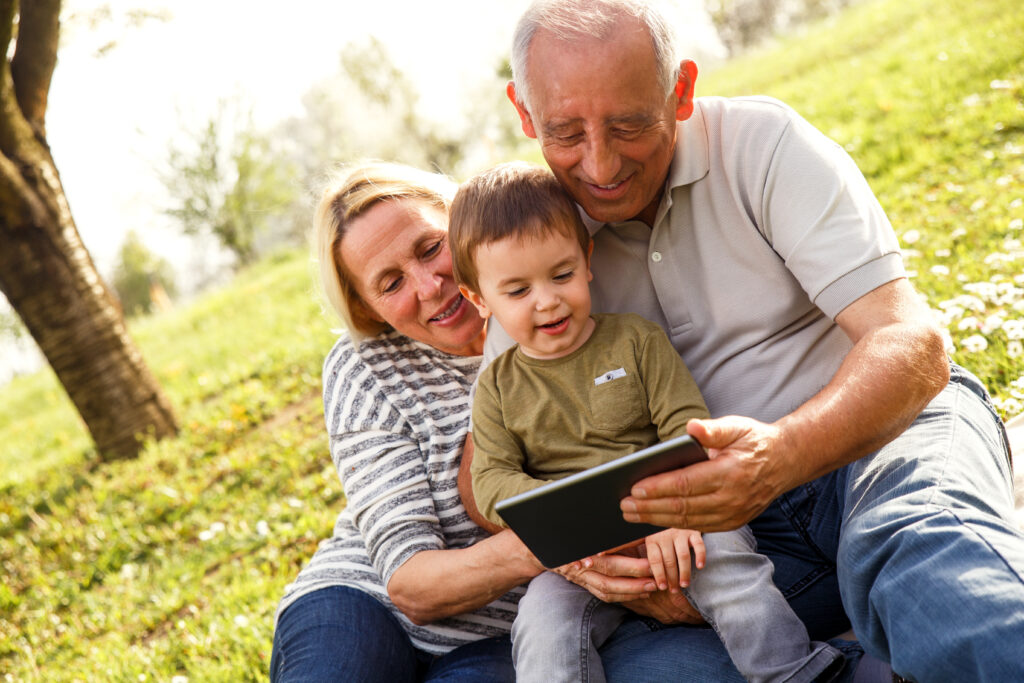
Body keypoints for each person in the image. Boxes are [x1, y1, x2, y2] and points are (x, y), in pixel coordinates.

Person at [467, 0, 1024, 680]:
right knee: (648, 669)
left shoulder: (761, 143)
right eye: (565, 133)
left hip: (875, 441)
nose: (600, 162)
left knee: (924, 555)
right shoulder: (527, 250)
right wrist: (588, 553)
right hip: (730, 552)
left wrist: (781, 453)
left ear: (681, 90)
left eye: (628, 124)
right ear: (525, 115)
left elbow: (911, 340)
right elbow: (492, 466)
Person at [270, 160, 827, 682]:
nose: (426, 285)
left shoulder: (568, 293)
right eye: (389, 283)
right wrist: (581, 535)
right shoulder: (379, 367)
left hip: (502, 629)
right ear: (367, 308)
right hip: (371, 597)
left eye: (430, 247)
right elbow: (411, 583)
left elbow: (672, 412)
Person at [449, 161, 846, 683]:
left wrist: (672, 513)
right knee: (542, 622)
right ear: (480, 299)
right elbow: (493, 481)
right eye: (518, 291)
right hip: (581, 554)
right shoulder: (497, 387)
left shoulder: (636, 341)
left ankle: (795, 672)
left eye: (562, 274)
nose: (547, 300)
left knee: (727, 561)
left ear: (587, 260)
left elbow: (685, 426)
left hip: (676, 514)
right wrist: (576, 534)